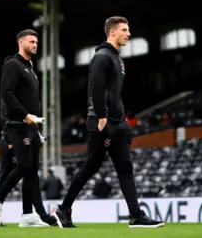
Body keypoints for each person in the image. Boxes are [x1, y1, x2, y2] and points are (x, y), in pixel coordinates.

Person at [53, 17, 163, 228]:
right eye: (124, 29)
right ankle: (63, 209)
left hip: (118, 122)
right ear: (112, 32)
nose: (128, 33)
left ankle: (136, 216)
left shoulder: (118, 59)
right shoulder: (102, 57)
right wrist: (102, 116)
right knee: (90, 167)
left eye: (128, 29)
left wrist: (120, 118)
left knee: (125, 169)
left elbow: (114, 92)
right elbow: (96, 88)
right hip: (103, 121)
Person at [0, 29, 58, 228]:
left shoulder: (30, 67)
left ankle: (27, 215)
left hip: (32, 128)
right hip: (17, 126)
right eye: (31, 42)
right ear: (21, 43)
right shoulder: (12, 65)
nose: (35, 45)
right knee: (23, 166)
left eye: (36, 42)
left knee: (32, 171)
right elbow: (6, 93)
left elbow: (31, 100)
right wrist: (25, 116)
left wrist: (37, 128)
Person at [0, 131, 57, 227]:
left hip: (23, 141)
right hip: (17, 141)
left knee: (31, 177)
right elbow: (17, 120)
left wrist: (35, 136)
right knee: (9, 179)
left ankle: (34, 214)